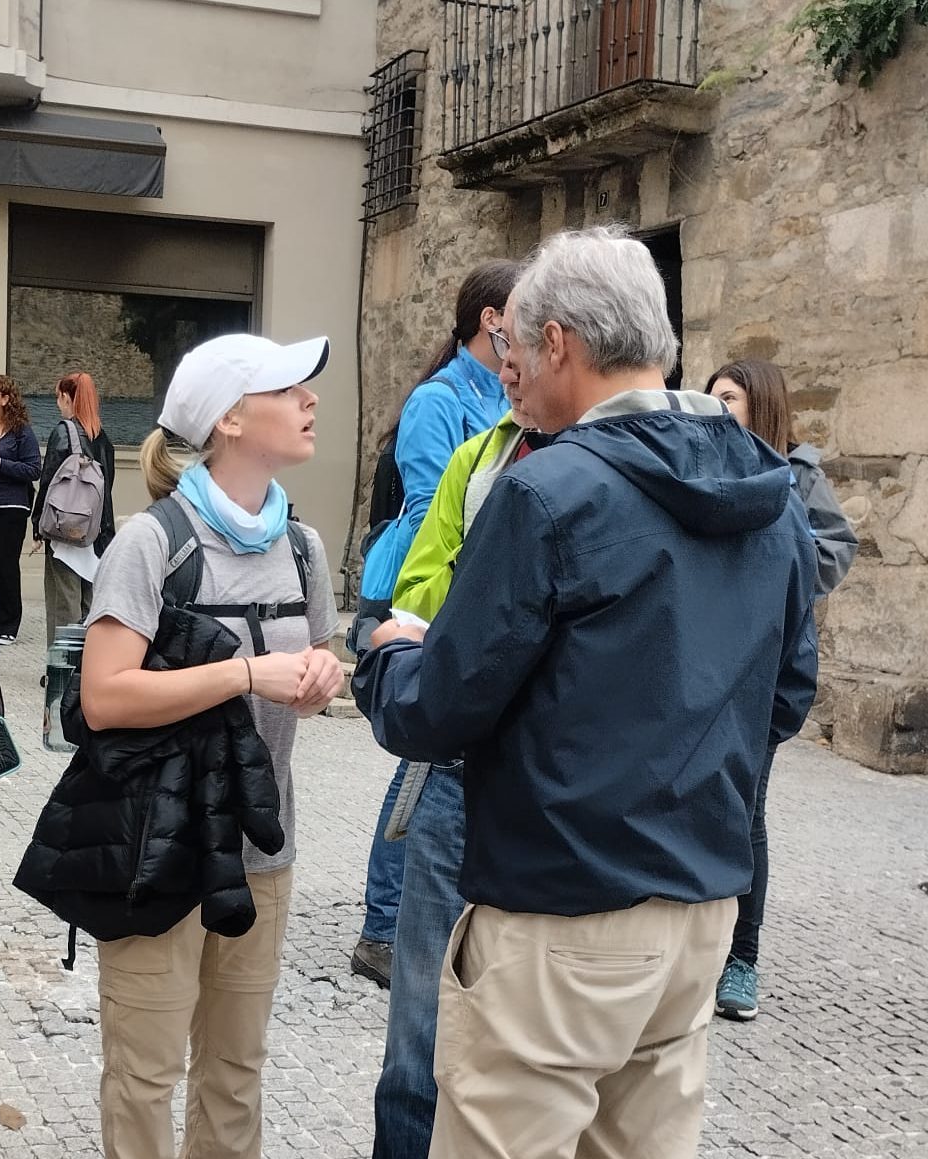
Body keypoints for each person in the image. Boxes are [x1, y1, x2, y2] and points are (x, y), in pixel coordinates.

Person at [355, 227, 818, 1159]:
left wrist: (390, 652)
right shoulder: (770, 494)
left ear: (560, 343)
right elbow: (786, 696)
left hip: (558, 911)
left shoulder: (547, 490)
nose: (508, 378)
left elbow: (438, 708)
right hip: (698, 915)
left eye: (516, 354)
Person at [79, 333, 341, 1159]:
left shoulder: (305, 548)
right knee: (145, 1077)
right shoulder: (152, 542)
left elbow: (320, 662)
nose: (312, 400)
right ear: (230, 417)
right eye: (289, 388)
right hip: (159, 848)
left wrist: (324, 675)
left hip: (264, 851)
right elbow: (103, 696)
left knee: (235, 1070)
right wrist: (245, 675)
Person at [370, 334, 550, 1159]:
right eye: (500, 340)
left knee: (536, 1047)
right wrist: (417, 637)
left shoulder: (606, 471)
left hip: (558, 795)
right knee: (419, 1038)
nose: (505, 362)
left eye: (524, 343)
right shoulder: (479, 457)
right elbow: (420, 576)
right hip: (455, 770)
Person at [350, 259, 522, 989]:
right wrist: (441, 616)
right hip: (423, 595)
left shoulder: (501, 399)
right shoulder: (438, 400)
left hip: (468, 594)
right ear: (492, 320)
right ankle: (381, 927)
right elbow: (431, 512)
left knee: (441, 758)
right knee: (423, 761)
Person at [704, 358, 858, 1022]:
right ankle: (691, 944)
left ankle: (742, 958)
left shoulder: (798, 476)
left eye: (729, 397)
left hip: (763, 675)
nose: (716, 407)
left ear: (758, 404)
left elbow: (833, 550)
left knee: (747, 812)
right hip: (702, 663)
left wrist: (770, 560)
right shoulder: (698, 465)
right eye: (710, 396)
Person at [31, 371, 117, 647]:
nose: (58, 403)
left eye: (58, 397)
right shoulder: (103, 439)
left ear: (67, 397)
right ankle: (87, 666)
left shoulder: (63, 432)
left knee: (62, 603)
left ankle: (61, 670)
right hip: (95, 534)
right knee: (88, 603)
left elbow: (49, 482)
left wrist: (37, 526)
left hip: (64, 530)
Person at [0, 374, 41, 643]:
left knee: (5, 566)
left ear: (5, 399)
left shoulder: (20, 432)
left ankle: (6, 627)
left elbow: (33, 469)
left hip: (11, 507)